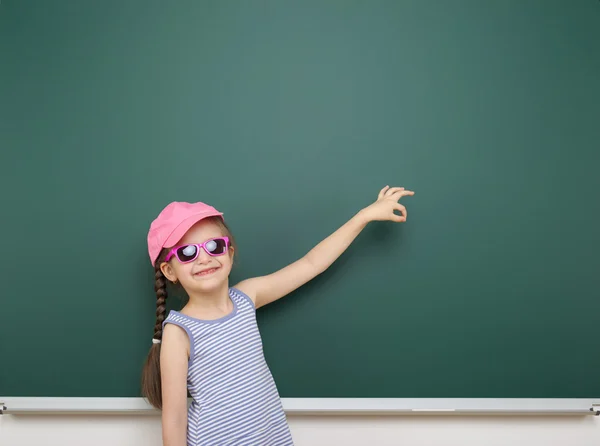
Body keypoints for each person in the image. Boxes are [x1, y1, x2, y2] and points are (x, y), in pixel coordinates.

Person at [141, 185, 414, 446]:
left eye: (214, 246)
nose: (204, 258)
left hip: (269, 437)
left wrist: (364, 216)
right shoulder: (179, 332)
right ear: (169, 271)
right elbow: (174, 420)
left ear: (230, 253)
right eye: (187, 253)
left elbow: (312, 263)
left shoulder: (247, 297)